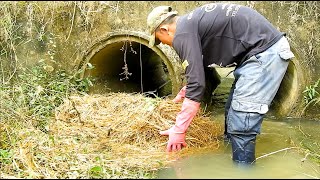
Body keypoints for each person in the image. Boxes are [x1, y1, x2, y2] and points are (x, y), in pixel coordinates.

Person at [146, 2, 295, 164]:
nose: (165, 44)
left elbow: (198, 84)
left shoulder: (183, 34)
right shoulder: (191, 24)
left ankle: (242, 170)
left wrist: (179, 130)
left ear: (164, 30)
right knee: (232, 110)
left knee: (242, 120)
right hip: (256, 52)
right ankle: (229, 157)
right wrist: (188, 88)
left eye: (160, 41)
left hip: (266, 52)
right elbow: (199, 74)